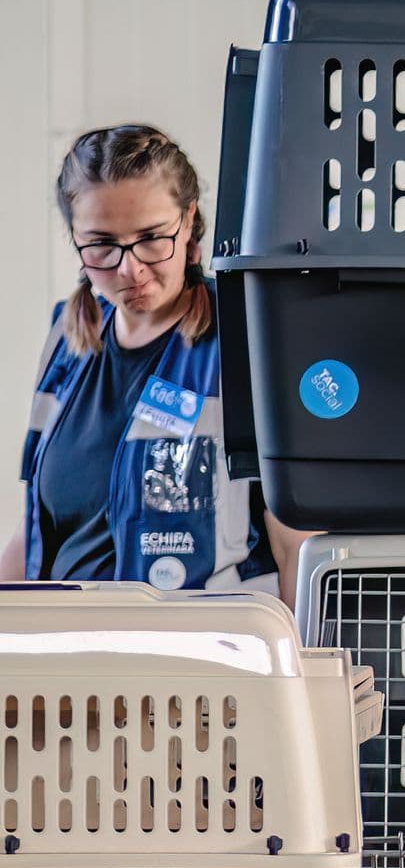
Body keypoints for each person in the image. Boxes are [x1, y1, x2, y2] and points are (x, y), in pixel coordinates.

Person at [8, 126, 302, 597]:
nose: (131, 269)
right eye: (102, 244)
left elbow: (294, 543)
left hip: (204, 656)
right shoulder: (66, 337)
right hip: (66, 654)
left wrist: (304, 664)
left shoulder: (246, 342)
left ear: (188, 223)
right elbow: (35, 532)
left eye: (151, 237)